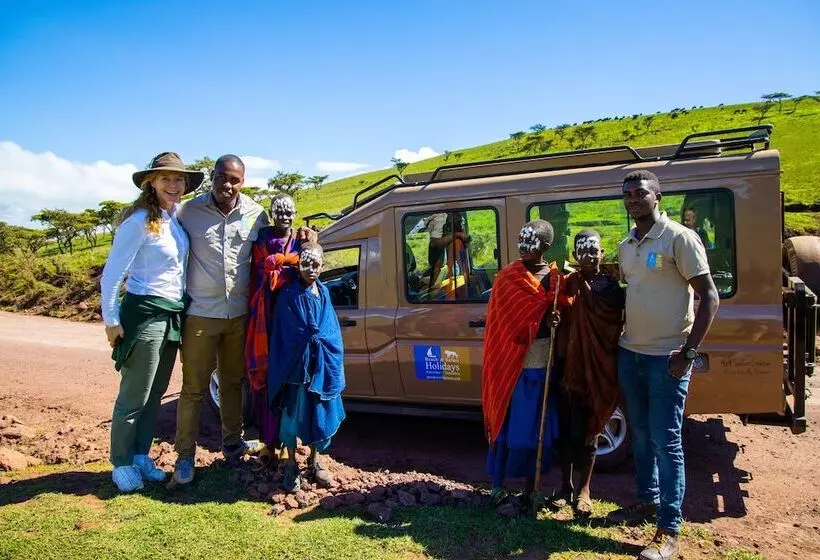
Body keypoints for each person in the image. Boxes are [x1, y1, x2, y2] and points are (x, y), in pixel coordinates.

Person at [609, 170, 719, 560]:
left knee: (666, 440)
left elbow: (709, 296)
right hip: (631, 353)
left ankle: (669, 530)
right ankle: (646, 501)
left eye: (640, 193)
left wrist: (688, 352)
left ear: (657, 197)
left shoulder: (679, 238)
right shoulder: (625, 245)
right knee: (639, 434)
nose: (633, 199)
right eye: (627, 194)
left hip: (667, 358)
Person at [100, 152, 203, 492]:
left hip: (171, 313)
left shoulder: (173, 220)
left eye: (178, 179)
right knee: (135, 393)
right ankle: (121, 462)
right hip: (145, 313)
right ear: (151, 182)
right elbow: (112, 274)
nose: (173, 185)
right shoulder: (139, 221)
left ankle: (141, 455)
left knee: (155, 392)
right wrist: (111, 320)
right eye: (165, 179)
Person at [170, 154, 270, 487]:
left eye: (234, 180)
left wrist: (307, 239)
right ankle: (185, 457)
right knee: (193, 388)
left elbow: (273, 246)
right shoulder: (188, 212)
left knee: (232, 382)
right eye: (222, 177)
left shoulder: (256, 214)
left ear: (243, 181)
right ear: (212, 176)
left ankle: (232, 443)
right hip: (201, 315)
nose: (227, 185)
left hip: (238, 316)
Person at [482, 220, 572, 507]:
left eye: (530, 242)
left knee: (538, 427)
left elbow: (563, 310)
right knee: (510, 425)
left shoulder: (555, 279)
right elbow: (500, 324)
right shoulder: (507, 278)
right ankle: (498, 486)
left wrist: (555, 318)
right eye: (521, 240)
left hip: (543, 361)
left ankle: (533, 487)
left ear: (546, 246)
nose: (523, 247)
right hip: (512, 365)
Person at [551, 229, 625, 517]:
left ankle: (585, 489)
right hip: (570, 369)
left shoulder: (611, 289)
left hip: (599, 367)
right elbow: (559, 316)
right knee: (567, 431)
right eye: (582, 251)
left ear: (602, 254)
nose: (588, 256)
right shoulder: (568, 285)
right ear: (574, 255)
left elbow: (615, 326)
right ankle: (564, 486)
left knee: (591, 430)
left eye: (594, 251)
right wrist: (554, 318)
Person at [267, 242, 346, 492]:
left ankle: (315, 460)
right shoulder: (288, 295)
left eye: (316, 264)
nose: (311, 269)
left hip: (319, 367)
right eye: (306, 263)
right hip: (296, 369)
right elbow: (285, 333)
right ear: (298, 264)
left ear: (322, 266)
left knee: (317, 413)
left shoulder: (324, 293)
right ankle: (291, 463)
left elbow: (331, 329)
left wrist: (322, 344)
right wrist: (306, 341)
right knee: (292, 416)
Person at [245, 193, 317, 468]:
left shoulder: (301, 239)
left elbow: (309, 268)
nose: (284, 217)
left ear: (295, 213)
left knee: (290, 380)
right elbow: (261, 273)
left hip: (291, 319)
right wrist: (287, 266)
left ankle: (289, 444)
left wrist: (293, 260)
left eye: (289, 212)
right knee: (267, 380)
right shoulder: (261, 239)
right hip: (265, 317)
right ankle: (268, 443)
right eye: (279, 211)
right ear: (271, 212)